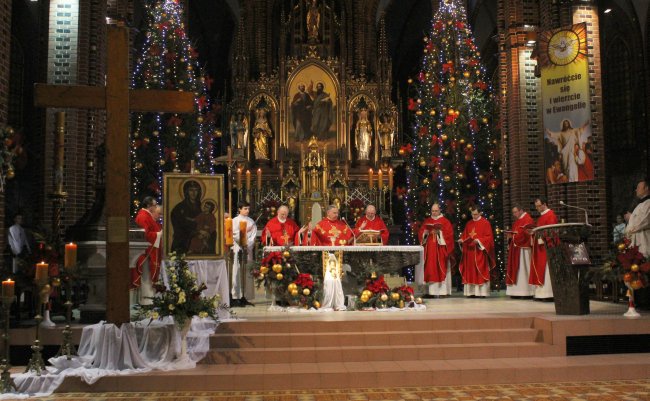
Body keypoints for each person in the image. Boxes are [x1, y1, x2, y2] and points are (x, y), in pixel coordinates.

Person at [417, 203, 454, 297]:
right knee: (429, 269)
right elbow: (421, 233)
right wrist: (425, 233)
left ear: (440, 210)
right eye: (432, 211)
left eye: (436, 211)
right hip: (429, 251)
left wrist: (440, 233)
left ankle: (442, 292)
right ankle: (429, 292)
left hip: (440, 249)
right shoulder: (427, 221)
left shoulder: (445, 222)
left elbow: (449, 236)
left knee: (440, 268)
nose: (434, 212)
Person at [458, 206, 495, 297]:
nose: (474, 216)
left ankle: (482, 293)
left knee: (480, 271)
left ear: (480, 213)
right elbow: (465, 235)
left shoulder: (485, 223)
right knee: (470, 272)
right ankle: (471, 293)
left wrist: (478, 241)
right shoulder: (469, 223)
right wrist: (461, 240)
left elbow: (489, 238)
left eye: (475, 214)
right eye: (472, 214)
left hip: (479, 251)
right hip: (469, 252)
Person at [132, 197, 163, 305]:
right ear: (149, 206)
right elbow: (144, 235)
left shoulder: (147, 215)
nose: (155, 207)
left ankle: (149, 299)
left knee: (148, 276)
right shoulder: (143, 216)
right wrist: (159, 234)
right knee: (146, 276)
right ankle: (146, 300)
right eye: (154, 205)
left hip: (150, 250)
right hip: (146, 252)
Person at [530, 197, 558, 300]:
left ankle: (548, 294)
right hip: (540, 247)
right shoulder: (541, 217)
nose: (537, 208)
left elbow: (552, 231)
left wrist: (542, 237)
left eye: (538, 206)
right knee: (541, 269)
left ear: (544, 204)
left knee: (546, 270)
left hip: (547, 247)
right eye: (536, 206)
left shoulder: (550, 215)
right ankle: (541, 294)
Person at [505, 205, 534, 298]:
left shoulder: (527, 219)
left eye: (515, 212)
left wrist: (513, 236)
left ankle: (526, 292)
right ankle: (516, 292)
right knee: (517, 269)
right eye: (513, 212)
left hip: (523, 249)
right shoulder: (518, 221)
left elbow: (526, 233)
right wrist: (510, 236)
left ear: (521, 210)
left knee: (523, 269)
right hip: (516, 248)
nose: (514, 214)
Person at [232, 201, 257, 306]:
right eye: (245, 208)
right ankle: (236, 296)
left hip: (248, 250)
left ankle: (245, 296)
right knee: (237, 272)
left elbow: (254, 235)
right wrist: (244, 237)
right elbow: (234, 234)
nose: (247, 210)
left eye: (248, 208)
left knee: (247, 273)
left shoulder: (251, 221)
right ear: (239, 209)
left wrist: (248, 244)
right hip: (237, 249)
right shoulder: (234, 221)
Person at [170, 179, 202, 254]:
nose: (194, 193)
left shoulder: (202, 207)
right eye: (191, 190)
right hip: (183, 240)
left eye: (196, 190)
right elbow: (179, 225)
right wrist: (195, 232)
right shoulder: (179, 208)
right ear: (186, 192)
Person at [625, 178, 650, 258]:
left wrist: (630, 217)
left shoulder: (648, 203)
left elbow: (644, 221)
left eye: (638, 187)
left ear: (646, 188)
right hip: (637, 243)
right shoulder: (640, 205)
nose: (636, 190)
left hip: (646, 242)